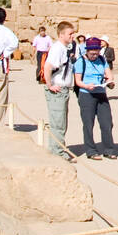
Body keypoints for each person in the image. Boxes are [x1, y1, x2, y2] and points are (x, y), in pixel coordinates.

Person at [74, 37, 116, 159]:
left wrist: (110, 82)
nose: (94, 56)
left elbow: (109, 75)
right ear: (87, 51)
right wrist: (86, 86)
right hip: (86, 94)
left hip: (101, 93)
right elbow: (78, 81)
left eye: (96, 53)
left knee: (107, 122)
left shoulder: (102, 60)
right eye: (92, 54)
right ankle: (91, 150)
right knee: (88, 123)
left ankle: (109, 149)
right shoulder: (80, 62)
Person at [42, 22, 75, 160]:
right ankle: (58, 152)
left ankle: (57, 149)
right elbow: (48, 67)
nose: (73, 36)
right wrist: (50, 85)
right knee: (58, 123)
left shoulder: (64, 48)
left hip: (63, 89)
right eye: (70, 34)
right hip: (57, 89)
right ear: (61, 35)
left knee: (61, 122)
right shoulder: (57, 48)